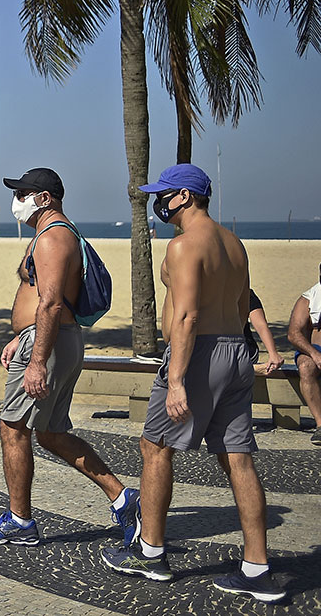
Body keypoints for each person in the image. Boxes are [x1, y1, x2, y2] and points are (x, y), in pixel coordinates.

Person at [102, 164, 285, 603]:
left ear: (184, 196)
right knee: (238, 459)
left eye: (163, 194)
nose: (158, 203)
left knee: (155, 448)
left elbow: (186, 317)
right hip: (235, 351)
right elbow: (241, 306)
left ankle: (150, 553)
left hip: (197, 354)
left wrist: (177, 380)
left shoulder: (184, 245)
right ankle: (257, 569)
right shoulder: (235, 244)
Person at [0, 168, 139, 547]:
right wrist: (21, 337)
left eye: (23, 193)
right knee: (50, 433)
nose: (17, 201)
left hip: (47, 343)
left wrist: (36, 360)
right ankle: (123, 499)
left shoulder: (52, 238)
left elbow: (50, 303)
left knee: (13, 428)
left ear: (45, 198)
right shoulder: (55, 234)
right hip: (48, 340)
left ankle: (20, 522)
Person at [285, 264, 321, 445]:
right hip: (316, 350)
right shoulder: (309, 298)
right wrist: (314, 353)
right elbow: (294, 333)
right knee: (306, 366)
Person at [245, 289, 284, 375]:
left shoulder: (246, 294)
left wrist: (273, 353)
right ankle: (252, 369)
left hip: (245, 347)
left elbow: (261, 325)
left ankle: (248, 368)